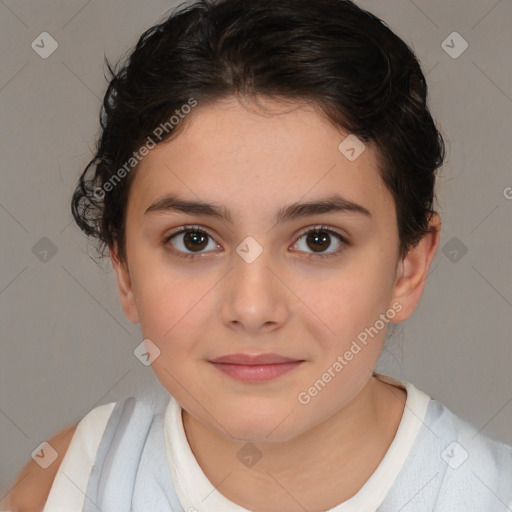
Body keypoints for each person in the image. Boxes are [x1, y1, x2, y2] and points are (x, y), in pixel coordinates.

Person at [3, 0, 512, 510]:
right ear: (125, 270)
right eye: (194, 240)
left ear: (408, 268)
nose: (252, 308)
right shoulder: (65, 485)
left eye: (319, 240)